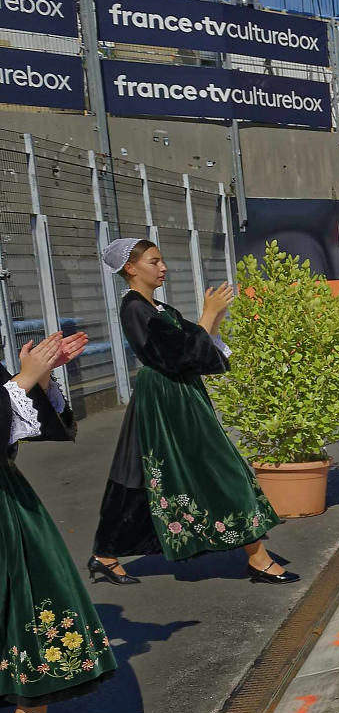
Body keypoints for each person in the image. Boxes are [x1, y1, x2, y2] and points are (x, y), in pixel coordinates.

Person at [89, 240, 294, 585]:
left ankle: (105, 554)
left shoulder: (158, 307)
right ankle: (258, 557)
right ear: (131, 268)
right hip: (168, 399)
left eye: (162, 260)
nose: (163, 267)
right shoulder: (135, 309)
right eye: (154, 261)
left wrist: (212, 318)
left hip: (179, 395)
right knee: (218, 467)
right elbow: (178, 355)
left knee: (143, 472)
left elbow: (194, 349)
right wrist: (209, 313)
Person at [3, 333, 117, 713]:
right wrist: (23, 380)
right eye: (155, 259)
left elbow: (20, 419)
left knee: (36, 591)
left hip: (7, 495)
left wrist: (40, 376)